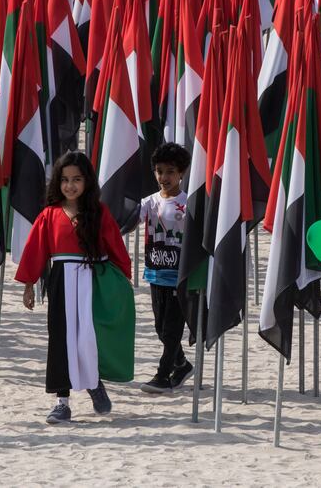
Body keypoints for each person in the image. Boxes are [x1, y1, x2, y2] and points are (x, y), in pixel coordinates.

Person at [15, 152, 135, 424]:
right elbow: (35, 250)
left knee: (90, 337)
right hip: (61, 282)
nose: (70, 186)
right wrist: (29, 285)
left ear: (87, 182)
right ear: (57, 182)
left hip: (94, 281)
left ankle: (94, 383)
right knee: (60, 340)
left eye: (77, 180)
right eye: (65, 180)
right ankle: (62, 401)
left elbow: (115, 246)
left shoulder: (99, 213)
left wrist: (121, 280)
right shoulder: (49, 215)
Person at [138, 143, 195, 394]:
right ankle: (182, 364)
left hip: (179, 276)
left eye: (170, 171)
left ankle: (163, 375)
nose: (164, 177)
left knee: (172, 327)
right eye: (159, 171)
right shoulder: (148, 202)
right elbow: (129, 221)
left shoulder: (189, 203)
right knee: (160, 326)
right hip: (155, 272)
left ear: (181, 173)